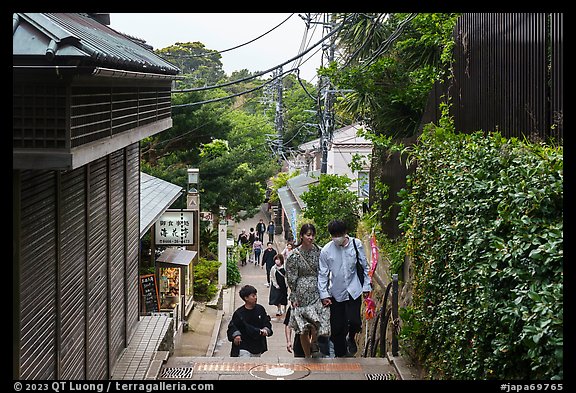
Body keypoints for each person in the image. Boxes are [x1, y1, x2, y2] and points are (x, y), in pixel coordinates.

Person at [318, 220, 371, 358]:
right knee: (336, 328)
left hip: (354, 290)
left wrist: (366, 286)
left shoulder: (356, 244)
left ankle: (351, 337)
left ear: (345, 232)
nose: (337, 237)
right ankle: (341, 355)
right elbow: (323, 274)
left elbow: (364, 266)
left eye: (339, 234)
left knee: (354, 321)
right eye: (334, 235)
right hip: (336, 293)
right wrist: (324, 295)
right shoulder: (326, 251)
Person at [285, 223, 330, 358]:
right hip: (301, 292)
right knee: (303, 327)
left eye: (312, 235)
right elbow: (291, 277)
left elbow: (325, 270)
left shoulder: (319, 251)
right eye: (308, 235)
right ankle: (307, 355)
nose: (311, 238)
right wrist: (293, 297)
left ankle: (314, 343)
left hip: (317, 289)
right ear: (302, 236)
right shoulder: (294, 255)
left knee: (316, 321)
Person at [227, 284, 273, 357]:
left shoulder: (260, 309)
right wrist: (236, 335)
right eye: (253, 296)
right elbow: (232, 327)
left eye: (255, 295)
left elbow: (266, 322)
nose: (255, 298)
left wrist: (266, 330)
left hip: (257, 346)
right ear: (246, 298)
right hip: (243, 346)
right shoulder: (239, 313)